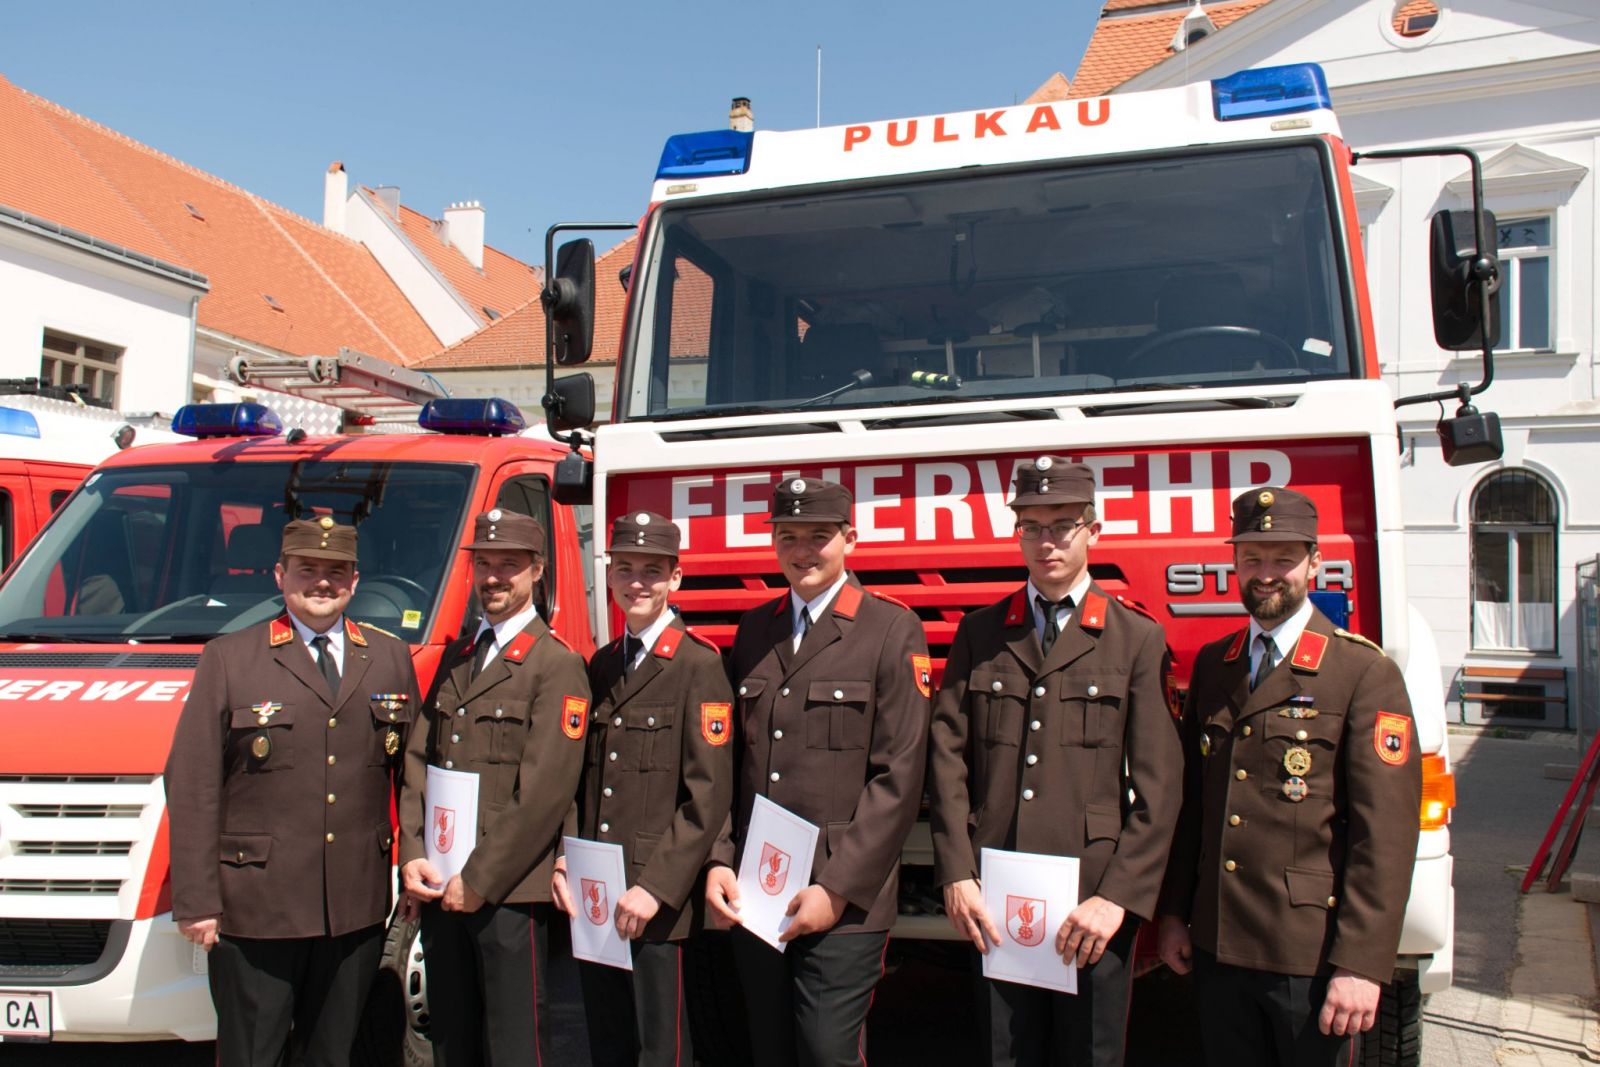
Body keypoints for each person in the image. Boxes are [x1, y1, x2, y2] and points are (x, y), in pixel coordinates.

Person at [927, 456, 1182, 1067]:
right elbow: (947, 757)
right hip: (996, 897)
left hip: (1090, 903)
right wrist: (956, 872)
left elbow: (1161, 787)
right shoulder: (981, 632)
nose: (1046, 541)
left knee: (1089, 1054)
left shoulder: (1135, 638)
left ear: (1093, 531)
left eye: (1062, 525)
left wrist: (1118, 897)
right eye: (1031, 526)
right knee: (1004, 1053)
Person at [1157, 487, 1423, 1065]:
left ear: (1315, 562)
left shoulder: (1362, 671)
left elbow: (1385, 836)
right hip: (1218, 945)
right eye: (1252, 558)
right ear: (1234, 563)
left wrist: (1361, 963)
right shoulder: (1216, 663)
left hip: (1310, 956)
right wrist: (1174, 913)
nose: (1266, 574)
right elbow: (1193, 807)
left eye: (1283, 558)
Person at [165, 517, 419, 1067]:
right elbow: (192, 782)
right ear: (280, 575)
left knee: (333, 1055)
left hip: (353, 908)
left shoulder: (390, 657)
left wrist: (415, 864)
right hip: (258, 906)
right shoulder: (230, 658)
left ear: (355, 580)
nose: (322, 582)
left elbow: (413, 775)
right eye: (308, 569)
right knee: (252, 1055)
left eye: (336, 571)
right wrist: (197, 900)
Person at [705, 477, 932, 1067]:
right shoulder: (756, 628)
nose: (802, 550)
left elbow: (899, 777)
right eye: (788, 536)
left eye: (818, 536)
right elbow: (729, 764)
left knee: (827, 1051)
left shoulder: (890, 629)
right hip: (759, 890)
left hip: (843, 899)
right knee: (770, 1049)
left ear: (850, 540)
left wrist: (835, 890)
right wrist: (720, 860)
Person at [397, 508, 590, 1066]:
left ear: (537, 570)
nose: (494, 577)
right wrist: (413, 854)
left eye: (509, 564)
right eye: (484, 563)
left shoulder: (556, 665)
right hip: (440, 884)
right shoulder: (459, 657)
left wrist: (480, 880)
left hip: (507, 892)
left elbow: (545, 793)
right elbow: (419, 760)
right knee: (451, 1043)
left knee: (513, 1047)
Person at [555, 510, 735, 1067]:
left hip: (657, 903)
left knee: (661, 1050)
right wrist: (566, 859)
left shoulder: (699, 665)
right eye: (625, 569)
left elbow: (708, 796)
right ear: (609, 575)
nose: (637, 583)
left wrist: (656, 888)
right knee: (607, 1043)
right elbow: (580, 778)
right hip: (598, 891)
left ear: (675, 578)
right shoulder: (602, 664)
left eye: (652, 571)